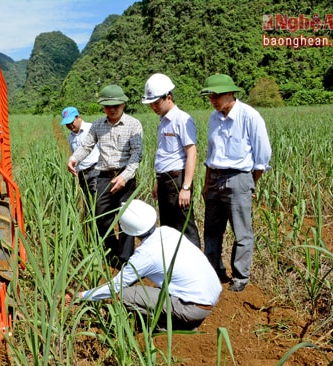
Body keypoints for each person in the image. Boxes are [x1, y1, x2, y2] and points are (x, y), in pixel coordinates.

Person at [65, 199, 222, 331]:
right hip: (212, 293)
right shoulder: (168, 232)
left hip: (194, 308)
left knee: (125, 295)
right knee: (151, 290)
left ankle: (170, 326)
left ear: (129, 231)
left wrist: (80, 296)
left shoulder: (145, 255)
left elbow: (116, 286)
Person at [199, 74, 272, 292]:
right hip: (214, 178)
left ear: (231, 93)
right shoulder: (214, 117)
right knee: (211, 230)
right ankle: (214, 272)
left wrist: (250, 184)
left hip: (239, 178)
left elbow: (262, 158)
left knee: (242, 233)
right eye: (210, 95)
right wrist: (206, 184)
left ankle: (240, 280)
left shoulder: (250, 116)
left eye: (217, 95)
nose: (213, 99)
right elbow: (211, 153)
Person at [67, 84, 143, 268]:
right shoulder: (98, 125)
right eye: (108, 105)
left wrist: (125, 176)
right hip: (103, 177)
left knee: (127, 219)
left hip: (126, 177)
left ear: (123, 104)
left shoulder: (134, 124)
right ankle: (112, 254)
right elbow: (86, 146)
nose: (112, 109)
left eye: (116, 105)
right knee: (101, 218)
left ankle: (126, 259)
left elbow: (137, 154)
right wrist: (74, 159)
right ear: (103, 106)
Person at [142, 73, 201, 249]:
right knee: (168, 226)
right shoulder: (163, 121)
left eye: (156, 103)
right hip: (164, 179)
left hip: (178, 180)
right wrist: (157, 181)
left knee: (185, 226)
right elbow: (164, 154)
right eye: (150, 104)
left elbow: (191, 153)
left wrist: (186, 187)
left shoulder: (182, 119)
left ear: (168, 97)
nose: (153, 107)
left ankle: (196, 267)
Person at [61, 106, 100, 203]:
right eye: (67, 124)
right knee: (88, 203)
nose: (70, 126)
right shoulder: (71, 137)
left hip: (96, 171)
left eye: (71, 122)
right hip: (83, 174)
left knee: (98, 202)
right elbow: (75, 155)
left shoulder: (91, 128)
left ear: (78, 117)